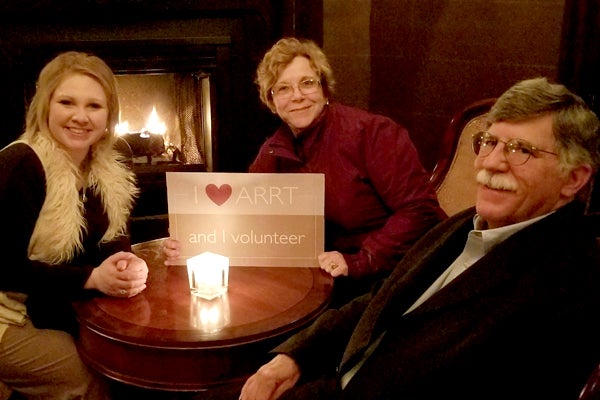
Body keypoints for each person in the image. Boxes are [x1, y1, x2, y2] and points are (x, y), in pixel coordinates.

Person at [238, 77, 600, 400]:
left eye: (521, 150)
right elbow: (380, 299)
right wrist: (295, 357)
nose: (491, 162)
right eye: (489, 142)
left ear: (573, 179)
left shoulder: (568, 286)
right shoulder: (462, 225)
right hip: (333, 372)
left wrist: (358, 259)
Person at [164, 37, 446, 306]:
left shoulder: (373, 133)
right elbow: (241, 220)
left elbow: (419, 210)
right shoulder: (274, 151)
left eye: (307, 83)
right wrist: (191, 239)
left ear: (324, 90)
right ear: (272, 103)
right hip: (323, 277)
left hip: (394, 274)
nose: (297, 96)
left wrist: (360, 260)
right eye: (283, 89)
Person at [0, 51, 148, 399]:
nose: (80, 117)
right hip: (5, 315)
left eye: (94, 106)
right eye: (67, 102)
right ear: (45, 105)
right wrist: (92, 278)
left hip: (48, 305)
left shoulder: (104, 169)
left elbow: (110, 240)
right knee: (89, 379)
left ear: (109, 114)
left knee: (124, 361)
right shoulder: (20, 165)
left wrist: (127, 264)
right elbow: (4, 267)